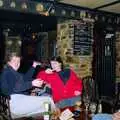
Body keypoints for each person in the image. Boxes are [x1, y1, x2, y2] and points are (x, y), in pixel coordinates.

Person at [0, 51, 56, 119]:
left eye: (18, 61)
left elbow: (25, 78)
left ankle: (48, 117)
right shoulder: (8, 72)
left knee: (44, 104)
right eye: (14, 61)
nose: (17, 63)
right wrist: (32, 83)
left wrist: (34, 66)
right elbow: (16, 87)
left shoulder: (12, 72)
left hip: (12, 104)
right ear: (8, 62)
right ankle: (50, 118)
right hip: (15, 105)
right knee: (48, 101)